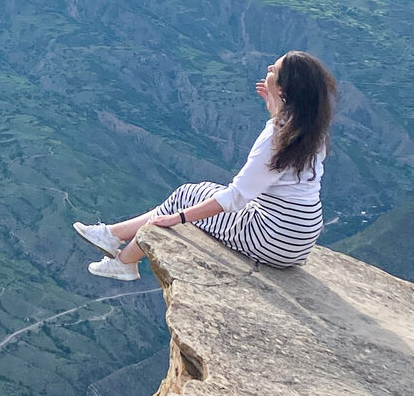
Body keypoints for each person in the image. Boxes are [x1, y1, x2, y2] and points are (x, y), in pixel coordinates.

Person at [77, 51, 336, 278]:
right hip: (299, 240)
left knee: (183, 198)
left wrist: (178, 219)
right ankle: (112, 236)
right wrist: (275, 106)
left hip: (270, 237)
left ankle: (124, 260)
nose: (268, 69)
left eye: (275, 69)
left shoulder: (276, 135)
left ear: (283, 90)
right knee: (193, 193)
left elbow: (236, 197)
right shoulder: (312, 132)